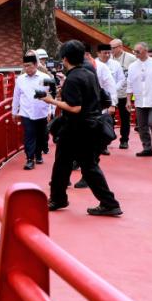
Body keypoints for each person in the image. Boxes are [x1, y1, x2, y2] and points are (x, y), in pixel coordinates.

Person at [42, 40, 122, 217]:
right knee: (76, 165)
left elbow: (75, 107)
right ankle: (60, 198)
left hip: (76, 128)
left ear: (64, 59)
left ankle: (106, 203)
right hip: (90, 126)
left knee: (73, 165)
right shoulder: (89, 73)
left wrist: (51, 101)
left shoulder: (73, 78)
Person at [11, 54, 52, 170]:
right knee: (29, 135)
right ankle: (30, 159)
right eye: (25, 66)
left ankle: (38, 154)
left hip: (41, 112)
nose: (27, 69)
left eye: (29, 66)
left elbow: (50, 96)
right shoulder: (20, 79)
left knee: (41, 135)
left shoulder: (45, 77)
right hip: (26, 112)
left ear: (35, 65)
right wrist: (14, 111)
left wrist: (50, 110)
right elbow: (16, 96)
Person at [127, 42, 152, 158]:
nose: (136, 54)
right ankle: (147, 147)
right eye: (134, 51)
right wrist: (128, 100)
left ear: (146, 50)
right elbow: (129, 84)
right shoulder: (132, 66)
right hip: (139, 100)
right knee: (142, 126)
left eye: (138, 51)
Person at [108, 39, 135, 149]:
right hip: (111, 94)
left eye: (113, 48)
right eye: (110, 48)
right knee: (108, 118)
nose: (111, 50)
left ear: (120, 47)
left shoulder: (131, 59)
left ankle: (124, 140)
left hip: (124, 94)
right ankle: (109, 136)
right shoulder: (108, 58)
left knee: (125, 119)